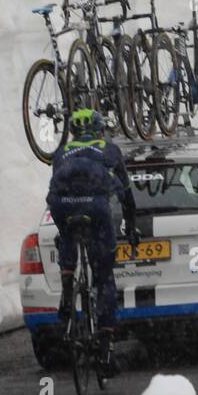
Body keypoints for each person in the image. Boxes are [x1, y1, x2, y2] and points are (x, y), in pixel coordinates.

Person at [46, 107, 138, 379]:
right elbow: (127, 196)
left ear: (73, 132)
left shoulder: (61, 153)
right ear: (99, 129)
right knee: (104, 276)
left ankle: (66, 292)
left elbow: (56, 186)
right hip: (96, 208)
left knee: (66, 234)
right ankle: (106, 348)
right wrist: (131, 227)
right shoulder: (109, 150)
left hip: (62, 206)